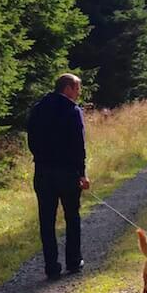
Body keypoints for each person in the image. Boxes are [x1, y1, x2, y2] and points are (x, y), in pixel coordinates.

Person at [27, 72, 90, 279]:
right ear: (68, 88)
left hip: (43, 172)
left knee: (47, 221)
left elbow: (31, 140)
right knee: (72, 217)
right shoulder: (73, 111)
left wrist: (41, 158)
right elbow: (78, 145)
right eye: (77, 88)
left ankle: (51, 267)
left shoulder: (38, 109)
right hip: (68, 173)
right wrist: (81, 173)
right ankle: (73, 261)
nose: (79, 93)